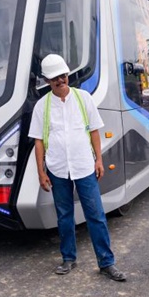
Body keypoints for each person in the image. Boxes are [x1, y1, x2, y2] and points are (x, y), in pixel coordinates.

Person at [28, 54, 126, 282]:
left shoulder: (84, 99)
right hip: (57, 168)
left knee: (96, 215)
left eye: (62, 76)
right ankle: (68, 258)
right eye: (54, 78)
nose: (60, 81)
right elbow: (38, 141)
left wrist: (98, 160)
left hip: (84, 166)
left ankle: (106, 262)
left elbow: (94, 131)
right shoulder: (42, 106)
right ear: (47, 80)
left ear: (67, 75)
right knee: (64, 216)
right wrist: (41, 171)